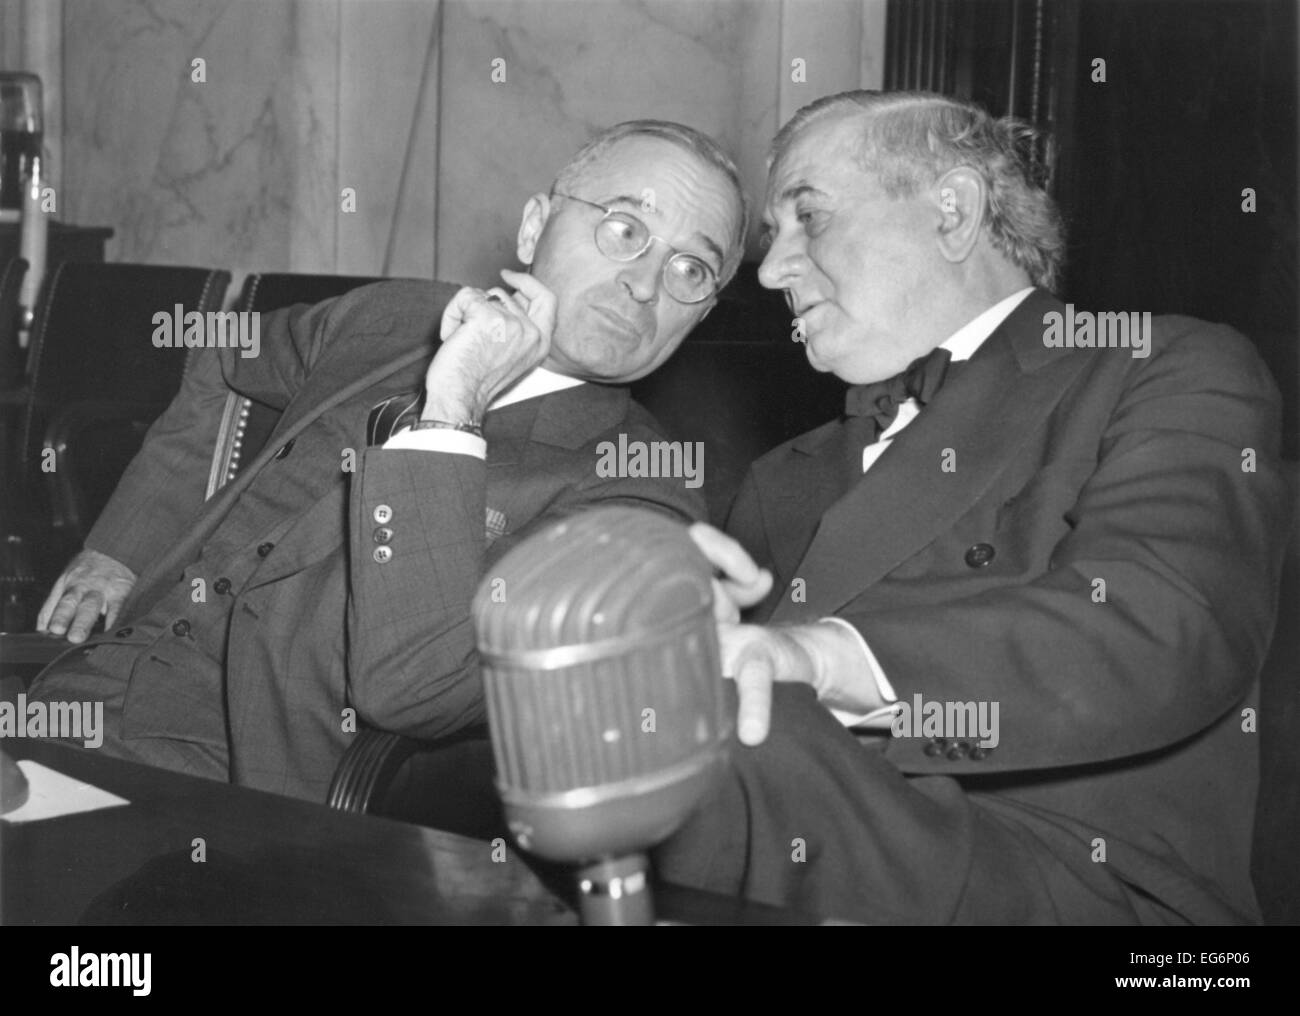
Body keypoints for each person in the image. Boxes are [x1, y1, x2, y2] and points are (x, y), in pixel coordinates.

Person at [658, 90, 1291, 925]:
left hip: (1083, 894)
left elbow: (1163, 622)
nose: (771, 271)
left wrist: (821, 658)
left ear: (952, 211)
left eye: (808, 217)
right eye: (772, 241)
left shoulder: (1157, 366)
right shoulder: (779, 479)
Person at [26, 119, 747, 802]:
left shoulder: (640, 494)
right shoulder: (399, 320)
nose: (647, 284)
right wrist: (123, 549)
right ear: (534, 226)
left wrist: (454, 409)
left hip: (249, 793)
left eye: (691, 270)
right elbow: (223, 353)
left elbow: (416, 689)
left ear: (704, 313)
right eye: (626, 230)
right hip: (78, 689)